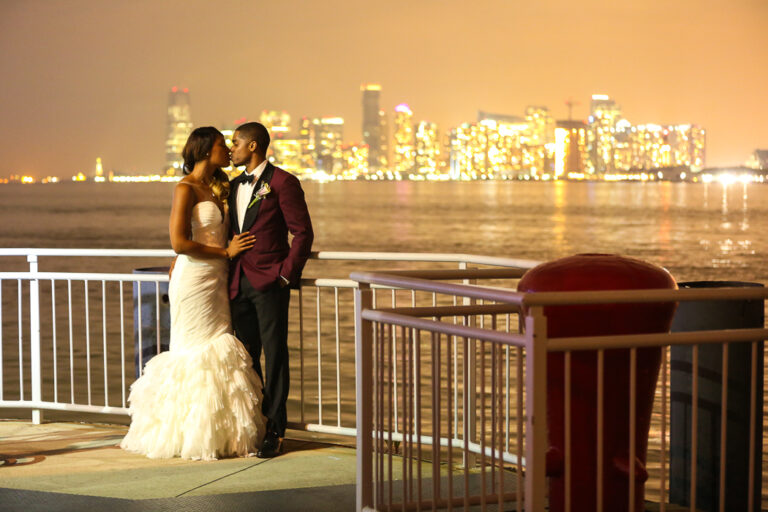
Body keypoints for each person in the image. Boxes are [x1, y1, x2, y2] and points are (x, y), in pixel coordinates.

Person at [120, 127, 266, 461]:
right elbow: (179, 242)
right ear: (203, 150)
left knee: (218, 347)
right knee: (191, 351)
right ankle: (185, 433)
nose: (228, 149)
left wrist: (226, 256)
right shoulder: (185, 188)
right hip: (194, 278)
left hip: (218, 277)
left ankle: (221, 432)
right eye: (220, 145)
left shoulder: (220, 187)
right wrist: (224, 253)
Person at [228, 122, 313, 458]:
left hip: (270, 284)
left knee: (275, 355)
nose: (231, 148)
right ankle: (257, 422)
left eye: (235, 143)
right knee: (247, 357)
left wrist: (285, 276)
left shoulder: (283, 182)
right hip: (237, 284)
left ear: (252, 146)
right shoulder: (235, 186)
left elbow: (303, 233)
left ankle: (276, 431)